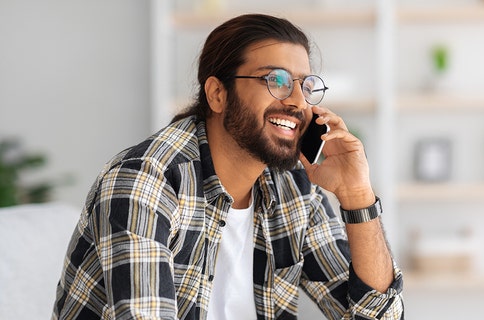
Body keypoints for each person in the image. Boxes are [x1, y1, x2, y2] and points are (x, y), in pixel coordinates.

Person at [53, 13, 403, 320]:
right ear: (217, 94)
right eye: (276, 81)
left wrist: (357, 195)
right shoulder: (145, 180)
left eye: (305, 86)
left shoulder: (294, 185)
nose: (298, 102)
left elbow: (379, 316)